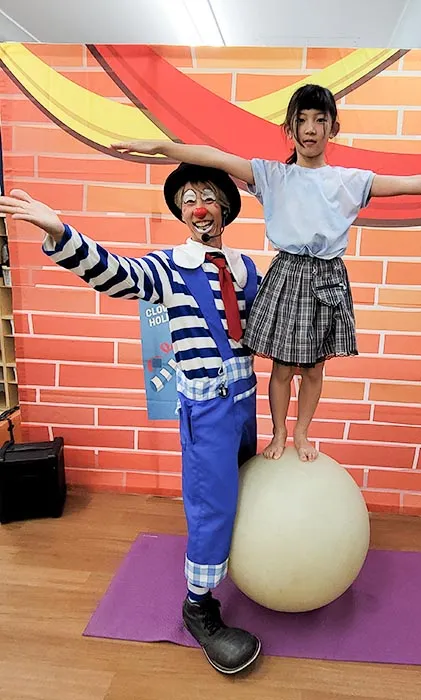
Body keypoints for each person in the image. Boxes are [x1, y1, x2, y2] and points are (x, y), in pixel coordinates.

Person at [111, 84, 421, 465]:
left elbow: (409, 183)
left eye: (320, 120)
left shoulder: (348, 181)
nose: (310, 129)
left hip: (327, 277)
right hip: (288, 272)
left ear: (333, 128)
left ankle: (302, 432)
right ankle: (279, 432)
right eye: (302, 120)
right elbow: (214, 157)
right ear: (289, 129)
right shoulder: (272, 175)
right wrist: (161, 146)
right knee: (282, 367)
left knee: (313, 369)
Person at [0, 164, 263, 675]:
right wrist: (60, 231)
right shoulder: (168, 267)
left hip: (245, 402)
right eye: (189, 200)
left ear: (226, 208)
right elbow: (115, 273)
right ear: (181, 213)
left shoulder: (245, 268)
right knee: (211, 504)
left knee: (246, 490)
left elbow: (267, 323)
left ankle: (247, 567)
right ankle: (198, 605)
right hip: (207, 410)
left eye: (209, 196)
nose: (199, 207)